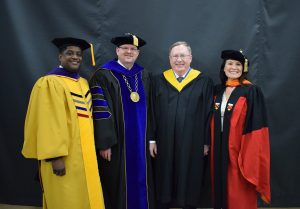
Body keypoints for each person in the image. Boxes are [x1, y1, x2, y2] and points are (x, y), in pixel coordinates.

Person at [22, 37, 105, 209]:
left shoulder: (82, 82)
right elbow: (48, 123)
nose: (75, 57)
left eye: (78, 54)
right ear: (60, 57)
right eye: (69, 53)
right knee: (66, 199)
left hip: (85, 155)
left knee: (85, 196)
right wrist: (55, 157)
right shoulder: (50, 82)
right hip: (64, 157)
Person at [89, 33, 154, 209]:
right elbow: (100, 110)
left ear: (138, 53)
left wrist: (151, 139)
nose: (129, 51)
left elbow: (151, 110)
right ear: (117, 50)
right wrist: (104, 143)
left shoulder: (144, 75)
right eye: (125, 48)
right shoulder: (103, 75)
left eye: (133, 49)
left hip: (141, 142)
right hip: (116, 144)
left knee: (141, 178)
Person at [149, 41, 214, 209]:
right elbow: (152, 112)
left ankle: (189, 204)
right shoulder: (158, 80)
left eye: (183, 55)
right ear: (169, 59)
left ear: (190, 58)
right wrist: (151, 140)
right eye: (175, 56)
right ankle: (164, 202)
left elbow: (209, 113)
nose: (179, 59)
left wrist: (206, 141)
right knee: (165, 173)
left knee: (190, 173)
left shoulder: (204, 81)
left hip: (193, 140)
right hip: (164, 139)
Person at [210, 49, 271, 209]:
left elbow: (257, 126)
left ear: (244, 68)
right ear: (224, 67)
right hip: (218, 147)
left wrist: (249, 150)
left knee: (239, 187)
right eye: (230, 64)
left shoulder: (251, 91)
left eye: (238, 64)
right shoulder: (217, 90)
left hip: (239, 148)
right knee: (220, 186)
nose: (234, 67)